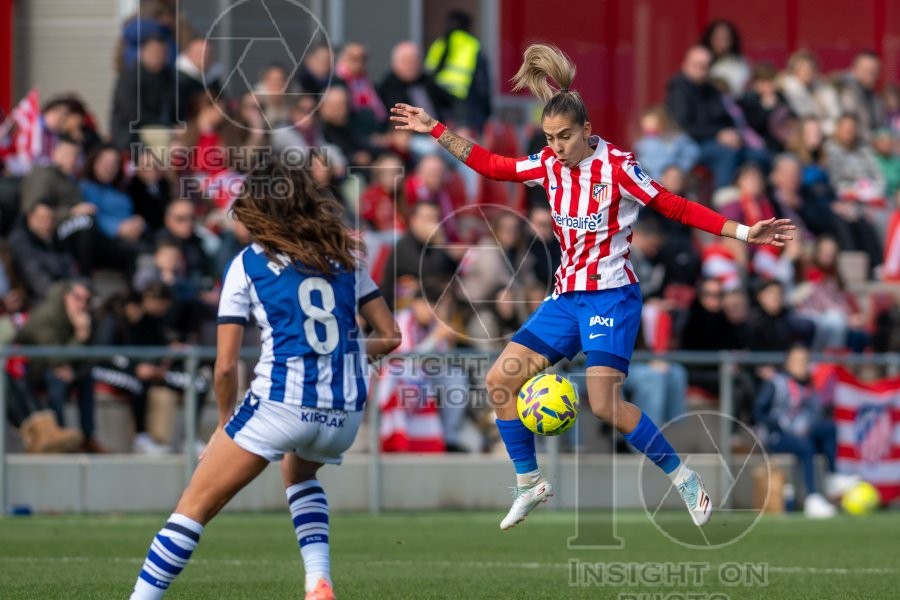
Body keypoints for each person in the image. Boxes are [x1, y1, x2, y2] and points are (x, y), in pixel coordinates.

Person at [391, 44, 795, 529]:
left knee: (605, 404)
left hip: (611, 298)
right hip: (565, 298)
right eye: (549, 137)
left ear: (587, 130)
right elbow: (492, 166)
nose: (557, 147)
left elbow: (677, 207)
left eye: (564, 137)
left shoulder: (619, 167)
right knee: (500, 380)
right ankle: (529, 483)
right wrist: (434, 127)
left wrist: (746, 232)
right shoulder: (546, 164)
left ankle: (684, 479)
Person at [127, 159, 401, 600]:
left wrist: (222, 424)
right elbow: (390, 336)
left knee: (193, 507)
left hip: (281, 403)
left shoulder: (248, 263)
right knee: (299, 474)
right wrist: (340, 353)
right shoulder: (344, 259)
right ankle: (317, 581)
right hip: (343, 415)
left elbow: (224, 365)